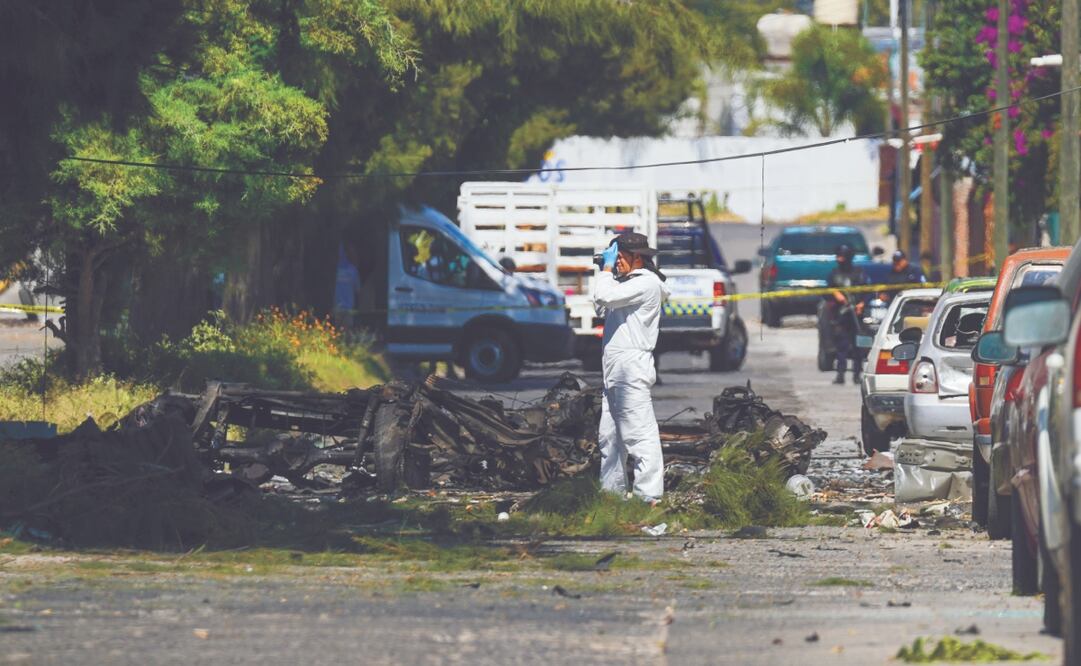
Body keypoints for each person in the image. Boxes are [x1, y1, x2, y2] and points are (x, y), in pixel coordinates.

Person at [592, 232, 670, 502]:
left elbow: (604, 296)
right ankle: (611, 494)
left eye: (619, 257)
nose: (616, 262)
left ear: (638, 257)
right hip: (615, 368)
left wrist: (605, 270)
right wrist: (606, 272)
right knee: (610, 437)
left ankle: (649, 496)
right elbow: (600, 306)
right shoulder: (625, 284)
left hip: (631, 368)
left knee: (639, 434)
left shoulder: (646, 283)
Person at [826, 244, 867, 385]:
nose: (839, 259)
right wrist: (836, 294)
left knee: (857, 347)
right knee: (841, 346)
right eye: (838, 256)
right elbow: (828, 290)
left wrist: (861, 304)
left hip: (856, 314)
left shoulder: (858, 272)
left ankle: (857, 375)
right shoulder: (834, 273)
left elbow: (866, 291)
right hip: (841, 315)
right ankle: (840, 374)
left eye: (842, 257)